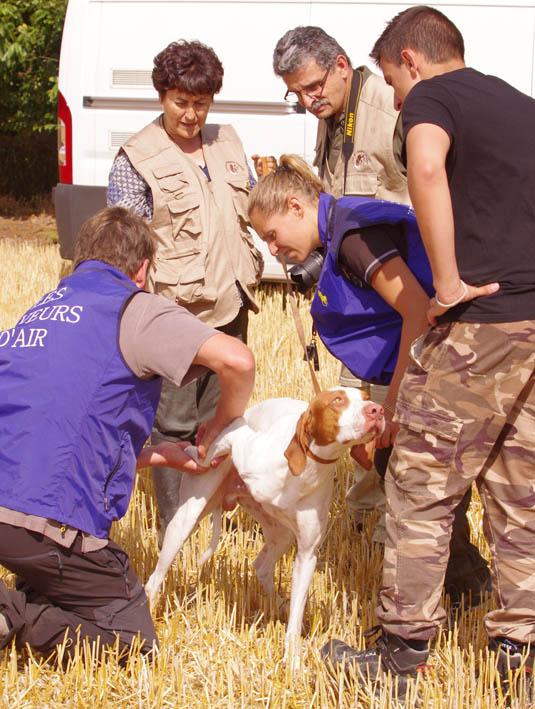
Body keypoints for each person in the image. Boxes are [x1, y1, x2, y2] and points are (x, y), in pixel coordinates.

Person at [320, 5, 535, 689]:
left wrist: (445, 281)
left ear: (409, 59)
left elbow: (427, 168)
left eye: (391, 82)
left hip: (478, 323)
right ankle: (519, 657)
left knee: (417, 485)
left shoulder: (434, 95)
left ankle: (398, 655)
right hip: (531, 321)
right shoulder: (519, 104)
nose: (395, 97)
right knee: (518, 494)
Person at [270, 28, 487, 587]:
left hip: (400, 295)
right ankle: (383, 531)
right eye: (297, 94)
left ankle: (416, 554)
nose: (308, 100)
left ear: (342, 65)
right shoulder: (332, 116)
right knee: (368, 423)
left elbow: (416, 196)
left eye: (313, 87)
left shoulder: (387, 110)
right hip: (367, 298)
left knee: (401, 440)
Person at [0, 207, 255, 660]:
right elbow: (238, 361)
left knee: (54, 585)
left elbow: (66, 436)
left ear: (81, 261)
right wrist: (220, 426)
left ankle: (27, 599)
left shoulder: (41, 312)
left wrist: (162, 455)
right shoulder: (133, 309)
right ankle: (14, 618)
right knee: (131, 641)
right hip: (43, 521)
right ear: (142, 270)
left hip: (11, 512)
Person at [107, 40, 263, 541]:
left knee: (223, 419)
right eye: (180, 102)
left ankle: (217, 515)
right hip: (171, 316)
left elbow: (253, 211)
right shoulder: (137, 157)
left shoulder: (228, 142)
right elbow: (123, 246)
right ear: (162, 96)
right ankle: (175, 527)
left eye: (201, 103)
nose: (191, 114)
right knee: (172, 426)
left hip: (230, 306)